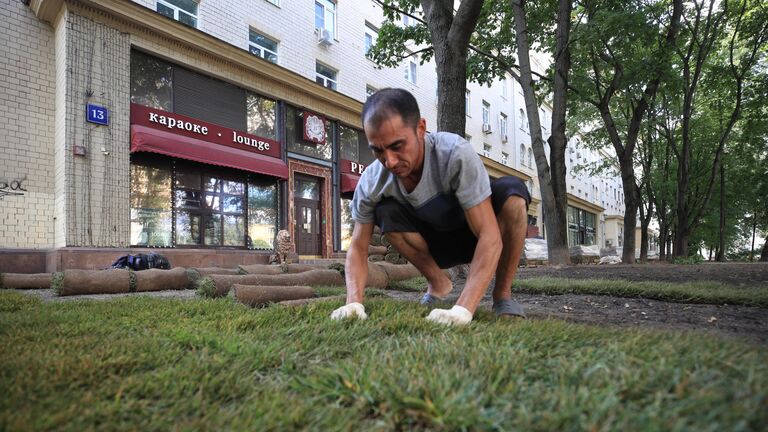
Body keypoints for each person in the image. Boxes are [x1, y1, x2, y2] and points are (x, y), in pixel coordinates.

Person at [331, 88, 530, 326]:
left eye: (397, 146)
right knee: (385, 212)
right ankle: (438, 283)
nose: (390, 161)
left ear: (421, 129)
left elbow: (490, 235)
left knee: (514, 195)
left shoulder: (454, 153)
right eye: (378, 150)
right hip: (434, 245)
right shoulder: (372, 181)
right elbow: (358, 247)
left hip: (478, 236)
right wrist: (353, 302)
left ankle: (503, 295)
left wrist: (463, 310)